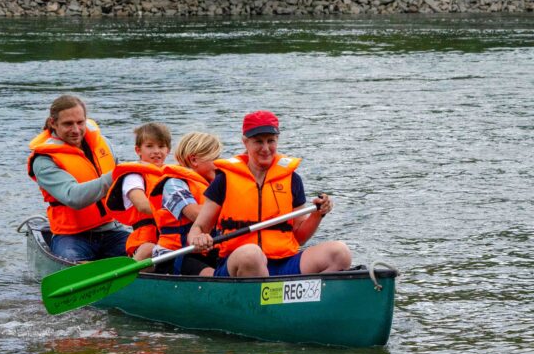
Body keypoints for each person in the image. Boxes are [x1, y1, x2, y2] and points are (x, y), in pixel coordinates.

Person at [188, 110, 351, 277]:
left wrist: (318, 214)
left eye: (270, 141)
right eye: (258, 142)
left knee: (340, 252)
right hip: (240, 263)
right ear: (245, 142)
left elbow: (300, 238)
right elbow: (198, 228)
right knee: (252, 254)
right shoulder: (224, 180)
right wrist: (198, 238)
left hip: (284, 262)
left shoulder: (292, 179)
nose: (265, 148)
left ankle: (304, 297)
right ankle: (266, 297)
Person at [27, 95, 130, 262]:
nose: (76, 130)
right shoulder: (44, 160)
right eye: (68, 124)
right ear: (53, 123)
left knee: (150, 252)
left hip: (112, 230)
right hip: (72, 237)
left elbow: (124, 186)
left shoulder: (102, 144)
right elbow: (74, 197)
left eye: (80, 122)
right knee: (72, 261)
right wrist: (117, 174)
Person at [149, 132, 223, 275]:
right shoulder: (174, 184)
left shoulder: (213, 183)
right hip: (174, 254)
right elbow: (195, 213)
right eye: (215, 158)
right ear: (194, 160)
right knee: (210, 274)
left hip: (205, 250)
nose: (219, 164)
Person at [105, 123, 171, 260]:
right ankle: (135, 271)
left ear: (168, 150)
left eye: (161, 146)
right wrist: (178, 210)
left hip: (169, 236)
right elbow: (143, 206)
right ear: (138, 150)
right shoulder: (134, 176)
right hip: (145, 241)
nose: (156, 151)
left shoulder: (172, 175)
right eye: (149, 146)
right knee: (149, 249)